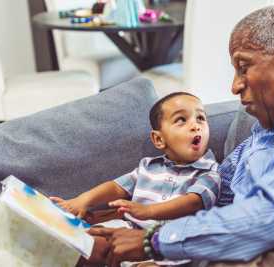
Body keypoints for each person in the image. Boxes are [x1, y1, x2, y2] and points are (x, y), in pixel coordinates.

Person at [87, 5, 274, 267]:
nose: (235, 85)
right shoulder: (257, 140)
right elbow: (205, 198)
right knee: (88, 249)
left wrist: (152, 241)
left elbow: (267, 217)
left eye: (243, 67)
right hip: (232, 255)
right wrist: (114, 218)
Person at [50, 92, 221, 264]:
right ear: (159, 139)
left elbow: (194, 202)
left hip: (173, 244)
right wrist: (83, 201)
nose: (195, 126)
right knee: (88, 243)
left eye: (200, 118)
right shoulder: (148, 167)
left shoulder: (209, 172)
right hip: (129, 230)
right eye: (181, 120)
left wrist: (148, 211)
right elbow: (117, 187)